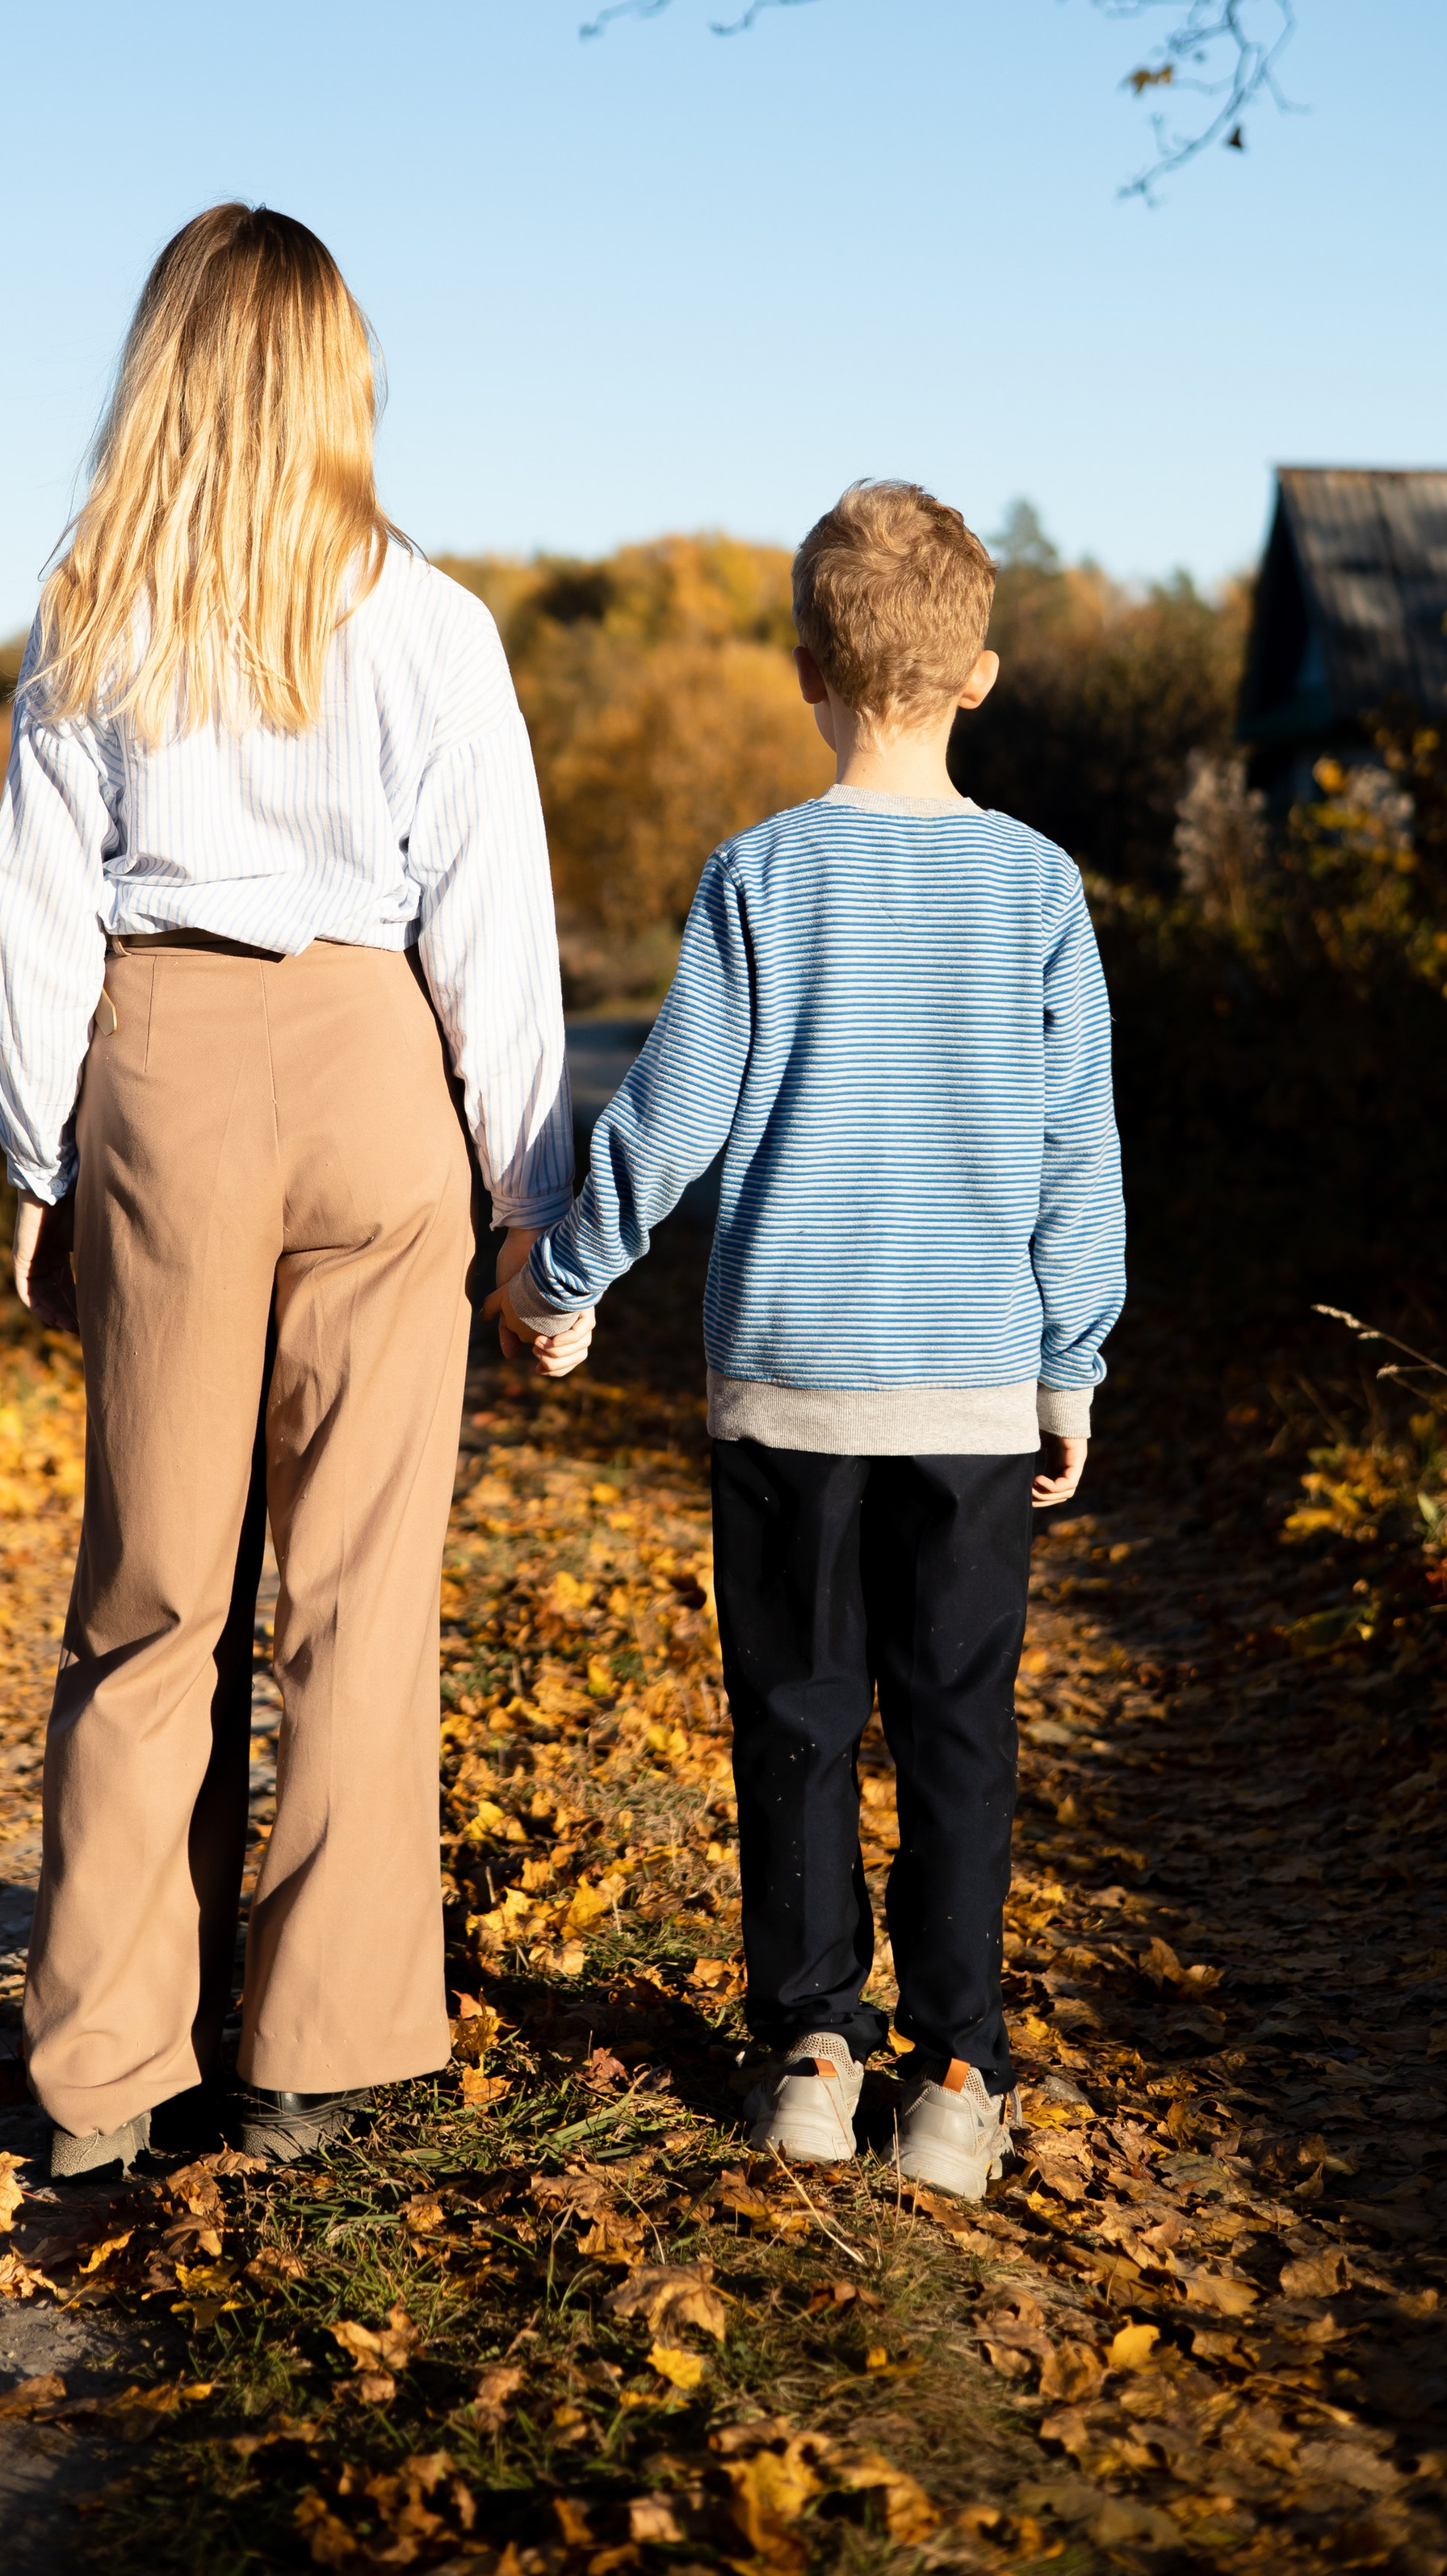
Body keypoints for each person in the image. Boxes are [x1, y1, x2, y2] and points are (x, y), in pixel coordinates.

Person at [0, 203, 589, 2180]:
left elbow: (35, 916)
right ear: (342, 379)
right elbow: (494, 928)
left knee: (153, 1590)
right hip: (375, 1064)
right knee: (357, 1588)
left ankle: (106, 2070)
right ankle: (311, 2055)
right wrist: (525, 1192)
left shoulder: (92, 612)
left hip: (160, 1061)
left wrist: (36, 1157)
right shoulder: (432, 623)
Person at [501, 480, 1125, 2201]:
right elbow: (1075, 1148)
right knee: (955, 1730)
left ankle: (809, 2053)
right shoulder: (1036, 887)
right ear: (979, 676)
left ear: (804, 672)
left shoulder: (761, 877)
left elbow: (671, 1113)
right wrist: (1068, 1362)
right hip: (969, 1393)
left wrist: (566, 1280)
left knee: (793, 1716)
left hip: (791, 1382)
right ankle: (955, 2076)